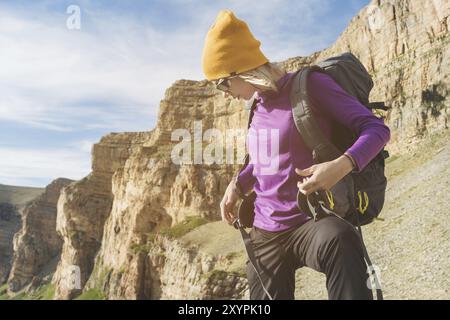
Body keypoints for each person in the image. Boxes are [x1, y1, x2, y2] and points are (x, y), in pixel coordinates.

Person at [201, 9, 390, 300]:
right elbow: (264, 159)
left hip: (310, 220)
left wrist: (340, 166)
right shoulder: (257, 105)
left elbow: (376, 129)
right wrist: (237, 185)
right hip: (264, 231)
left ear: (240, 69)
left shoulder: (310, 86)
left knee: (342, 240)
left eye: (221, 83)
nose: (223, 93)